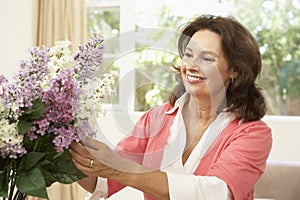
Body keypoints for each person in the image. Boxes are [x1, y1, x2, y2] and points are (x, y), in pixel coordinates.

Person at [70, 14, 272, 200]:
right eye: (189, 54)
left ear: (234, 70)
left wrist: (118, 168)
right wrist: (62, 149)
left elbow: (216, 192)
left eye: (207, 58)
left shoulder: (252, 133)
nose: (192, 65)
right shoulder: (155, 118)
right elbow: (105, 182)